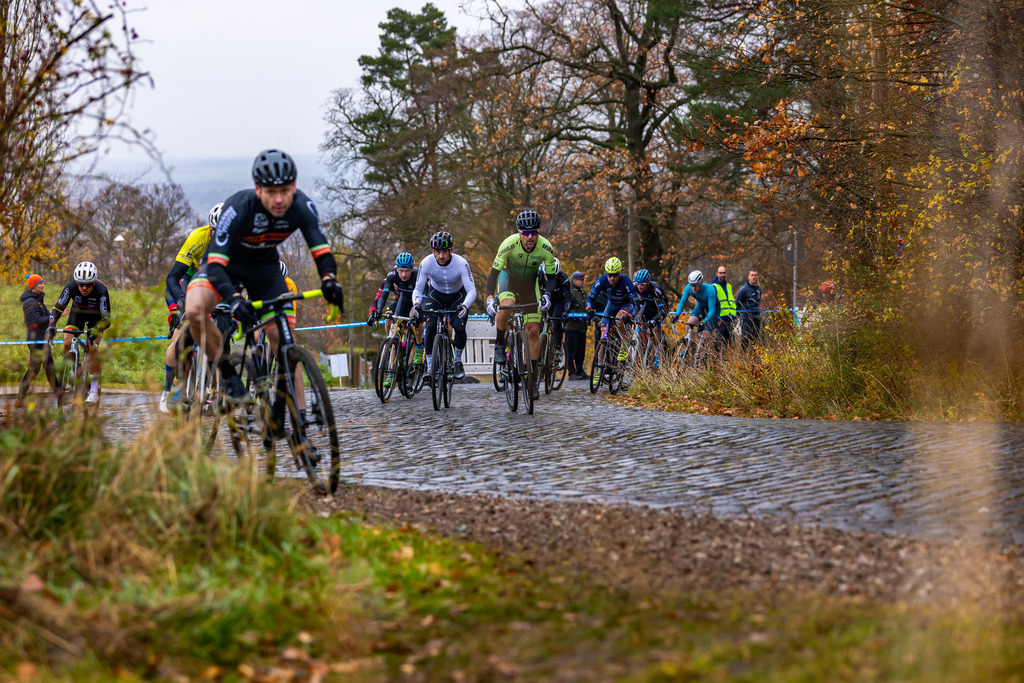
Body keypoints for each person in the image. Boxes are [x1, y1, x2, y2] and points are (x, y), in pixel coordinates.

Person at [184, 149, 345, 415]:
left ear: (294, 186)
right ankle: (228, 375)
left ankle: (300, 422)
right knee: (194, 310)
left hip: (264, 269)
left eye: (285, 190)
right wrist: (234, 299)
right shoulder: (238, 208)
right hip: (225, 266)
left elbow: (321, 248)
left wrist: (329, 279)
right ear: (258, 189)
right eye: (271, 192)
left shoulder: (301, 206)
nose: (279, 199)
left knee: (286, 344)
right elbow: (214, 265)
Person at [484, 208, 557, 400]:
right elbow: (493, 275)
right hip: (508, 278)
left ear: (539, 232)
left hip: (530, 284)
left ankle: (532, 379)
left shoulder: (546, 247)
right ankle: (500, 343)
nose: (530, 236)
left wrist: (547, 295)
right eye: (525, 232)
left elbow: (551, 278)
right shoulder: (508, 245)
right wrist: (490, 298)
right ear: (519, 232)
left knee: (533, 330)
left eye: (534, 232)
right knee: (507, 304)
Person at [159, 203, 222, 413]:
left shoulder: (233, 244)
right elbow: (173, 277)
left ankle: (210, 389)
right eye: (214, 232)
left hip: (212, 282)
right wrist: (181, 301)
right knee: (179, 338)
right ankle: (169, 391)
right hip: (186, 281)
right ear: (210, 229)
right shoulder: (198, 237)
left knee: (220, 333)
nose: (217, 236)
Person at [411, 230, 476, 381]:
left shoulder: (461, 263)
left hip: (458, 297)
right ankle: (429, 366)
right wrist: (416, 304)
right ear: (433, 251)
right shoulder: (426, 262)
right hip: (436, 296)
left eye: (444, 252)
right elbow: (418, 289)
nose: (441, 256)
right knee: (431, 326)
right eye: (438, 252)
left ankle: (458, 360)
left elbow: (471, 290)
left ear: (451, 250)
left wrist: (465, 306)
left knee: (458, 327)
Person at [48, 261, 111, 404]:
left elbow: (107, 318)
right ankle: (73, 372)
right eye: (80, 284)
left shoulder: (101, 291)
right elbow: (58, 308)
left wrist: (98, 329)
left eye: (88, 284)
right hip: (77, 314)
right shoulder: (70, 287)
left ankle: (94, 390)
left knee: (92, 348)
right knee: (67, 343)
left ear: (94, 282)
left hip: (96, 317)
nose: (83, 287)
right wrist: (51, 325)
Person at [368, 252, 424, 368]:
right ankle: (393, 343)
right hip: (401, 300)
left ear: (411, 269)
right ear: (396, 270)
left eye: (406, 271)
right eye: (400, 271)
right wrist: (374, 312)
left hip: (417, 301)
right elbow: (379, 299)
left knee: (414, 322)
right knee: (389, 318)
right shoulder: (390, 278)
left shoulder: (417, 276)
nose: (403, 275)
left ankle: (415, 352)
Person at [584, 257, 641, 364]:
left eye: (615, 275)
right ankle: (601, 370)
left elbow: (636, 302)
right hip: (612, 304)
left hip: (626, 304)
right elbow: (589, 299)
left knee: (619, 320)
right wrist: (589, 308)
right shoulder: (602, 280)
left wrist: (631, 315)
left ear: (619, 273)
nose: (612, 278)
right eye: (609, 275)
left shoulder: (626, 282)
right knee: (603, 339)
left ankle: (624, 344)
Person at [17, 274, 60, 405]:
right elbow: (35, 322)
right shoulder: (30, 302)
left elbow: (47, 317)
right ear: (34, 286)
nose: (43, 285)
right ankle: (60, 395)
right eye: (41, 283)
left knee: (34, 369)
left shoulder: (39, 300)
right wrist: (52, 317)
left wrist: (55, 315)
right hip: (36, 341)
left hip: (42, 339)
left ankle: (21, 397)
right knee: (49, 367)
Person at [670, 269, 718, 350]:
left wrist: (703, 322)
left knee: (706, 333)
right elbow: (682, 303)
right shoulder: (688, 288)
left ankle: (708, 357)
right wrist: (677, 315)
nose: (693, 288)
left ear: (701, 283)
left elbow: (712, 310)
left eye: (696, 285)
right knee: (689, 325)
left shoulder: (710, 290)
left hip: (714, 309)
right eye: (691, 285)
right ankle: (690, 351)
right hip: (701, 306)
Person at [537, 257, 570, 369]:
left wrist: (565, 312)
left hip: (559, 301)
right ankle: (539, 353)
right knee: (539, 324)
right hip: (544, 300)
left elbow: (567, 299)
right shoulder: (539, 275)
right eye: (548, 275)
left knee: (556, 319)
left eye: (554, 276)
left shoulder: (564, 278)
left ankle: (557, 348)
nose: (550, 278)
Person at [632, 268, 668, 366]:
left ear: (648, 282)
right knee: (637, 324)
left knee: (651, 331)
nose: (639, 287)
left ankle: (658, 354)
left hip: (660, 311)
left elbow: (662, 310)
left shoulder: (656, 289)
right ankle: (636, 350)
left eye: (642, 285)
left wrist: (654, 320)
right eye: (638, 284)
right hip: (648, 307)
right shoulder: (635, 286)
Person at [564, 270, 589, 380]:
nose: (583, 281)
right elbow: (567, 307)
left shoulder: (583, 292)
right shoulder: (569, 292)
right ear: (575, 281)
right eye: (581, 279)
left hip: (582, 326)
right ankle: (571, 373)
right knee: (571, 350)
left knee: (581, 351)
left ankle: (580, 370)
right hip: (572, 326)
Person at [734, 269, 763, 350]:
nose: (754, 277)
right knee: (746, 339)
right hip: (746, 318)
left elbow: (758, 302)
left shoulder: (759, 289)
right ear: (748, 277)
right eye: (752, 275)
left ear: (758, 277)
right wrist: (741, 316)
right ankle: (743, 357)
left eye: (755, 275)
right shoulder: (743, 290)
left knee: (755, 340)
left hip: (756, 317)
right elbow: (737, 304)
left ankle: (753, 358)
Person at [711, 265, 737, 351]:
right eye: (720, 273)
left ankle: (726, 361)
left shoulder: (729, 286)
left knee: (728, 343)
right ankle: (717, 361)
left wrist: (734, 315)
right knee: (719, 342)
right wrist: (717, 318)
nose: (722, 275)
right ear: (717, 274)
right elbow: (712, 304)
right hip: (720, 320)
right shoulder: (714, 287)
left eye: (724, 273)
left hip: (730, 318)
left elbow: (731, 301)